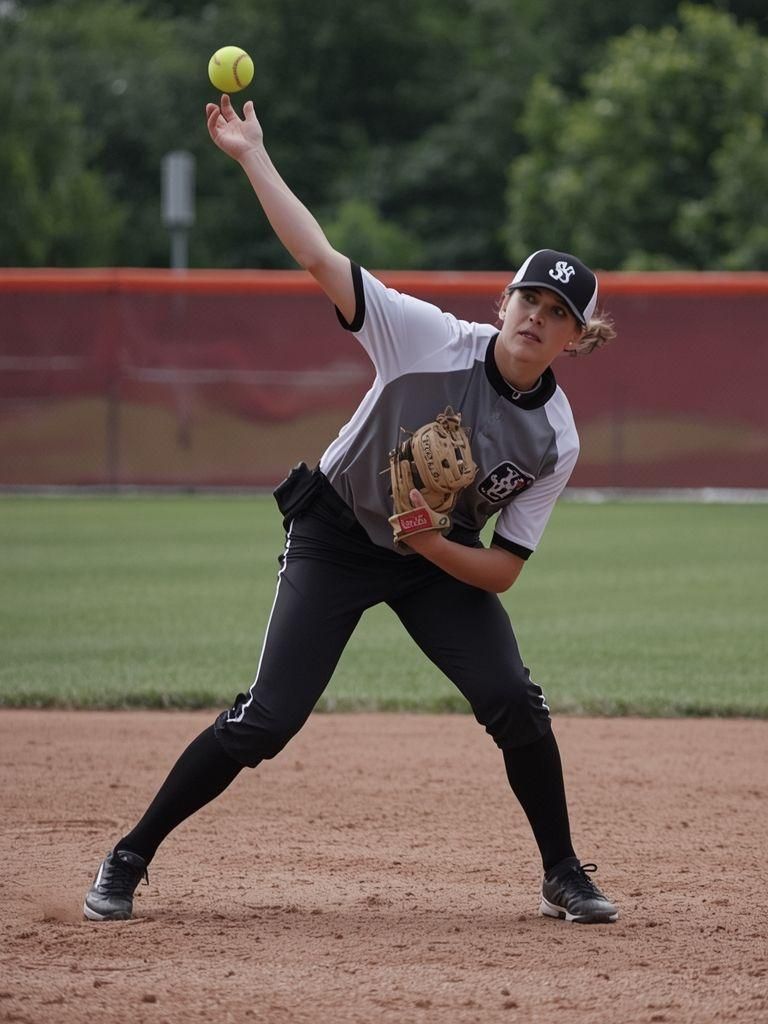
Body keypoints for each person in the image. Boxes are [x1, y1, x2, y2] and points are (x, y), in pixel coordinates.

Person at [84, 95, 618, 926]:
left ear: (575, 341)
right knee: (267, 721)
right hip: (335, 532)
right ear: (503, 302)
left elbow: (504, 573)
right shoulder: (426, 338)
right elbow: (316, 255)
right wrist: (252, 154)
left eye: (558, 317)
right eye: (530, 302)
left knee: (514, 698)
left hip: (435, 554)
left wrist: (428, 544)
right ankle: (129, 855)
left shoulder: (555, 439)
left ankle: (562, 873)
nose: (538, 320)